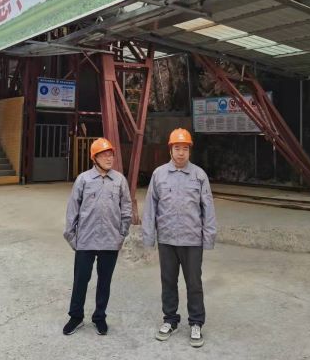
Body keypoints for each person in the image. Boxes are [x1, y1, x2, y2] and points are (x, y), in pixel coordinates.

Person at [142, 128, 216, 348]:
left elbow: (208, 208)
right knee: (168, 281)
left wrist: (208, 237)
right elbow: (150, 208)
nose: (181, 152)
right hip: (167, 239)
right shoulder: (159, 175)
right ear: (170, 150)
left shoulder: (199, 176)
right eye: (177, 148)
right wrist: (149, 237)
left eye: (185, 148)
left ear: (190, 150)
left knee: (194, 283)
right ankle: (170, 320)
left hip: (192, 240)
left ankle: (196, 322)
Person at [63, 137, 132, 336]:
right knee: (80, 280)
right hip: (86, 240)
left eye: (111, 155)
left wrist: (121, 234)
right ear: (94, 158)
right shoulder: (83, 180)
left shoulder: (119, 180)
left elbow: (126, 209)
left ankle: (99, 317)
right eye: (104, 155)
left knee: (104, 281)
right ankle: (76, 317)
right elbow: (73, 209)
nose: (109, 158)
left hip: (110, 241)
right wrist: (72, 237)